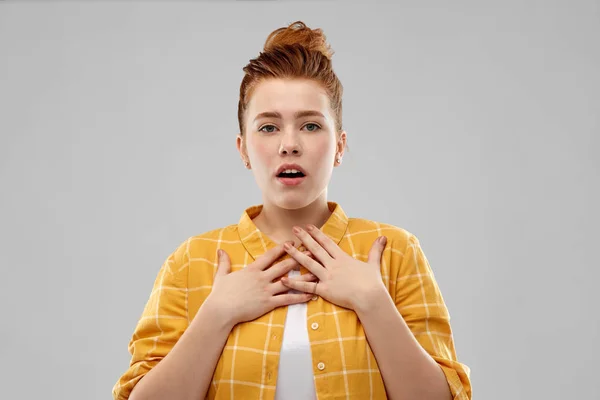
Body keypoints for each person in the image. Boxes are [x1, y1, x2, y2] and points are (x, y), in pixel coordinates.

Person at [112, 20, 472, 400]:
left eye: (311, 126)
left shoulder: (395, 252)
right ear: (242, 149)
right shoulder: (191, 263)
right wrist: (217, 314)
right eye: (268, 128)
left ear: (340, 145)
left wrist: (374, 303)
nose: (289, 145)